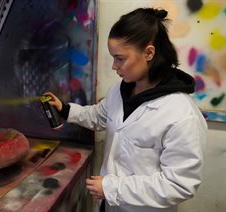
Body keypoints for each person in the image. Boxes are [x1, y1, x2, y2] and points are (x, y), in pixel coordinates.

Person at [44, 7, 207, 212]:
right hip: (109, 204)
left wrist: (112, 188)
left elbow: (179, 185)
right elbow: (99, 116)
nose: (114, 66)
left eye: (120, 58)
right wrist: (66, 110)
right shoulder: (120, 91)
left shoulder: (181, 115)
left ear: (148, 53)